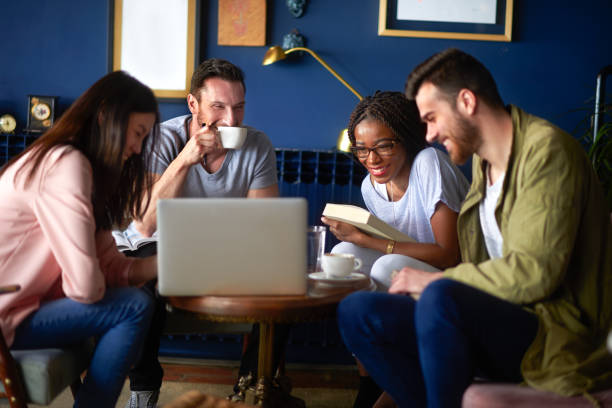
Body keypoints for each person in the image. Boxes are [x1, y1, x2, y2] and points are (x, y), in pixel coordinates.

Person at [337, 48, 612, 408]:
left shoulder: (548, 153)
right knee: (358, 313)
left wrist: (436, 280)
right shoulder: (484, 161)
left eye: (432, 118)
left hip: (552, 331)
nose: (429, 135)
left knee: (440, 295)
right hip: (500, 316)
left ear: (466, 101)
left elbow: (536, 273)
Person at [117, 58, 284, 407]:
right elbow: (146, 222)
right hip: (155, 248)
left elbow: (265, 226)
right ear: (193, 104)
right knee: (142, 289)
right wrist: (185, 158)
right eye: (219, 107)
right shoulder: (162, 139)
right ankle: (143, 390)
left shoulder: (257, 145)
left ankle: (247, 388)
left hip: (220, 253)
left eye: (239, 107)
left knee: (285, 285)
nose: (232, 120)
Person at [0, 71, 160, 408]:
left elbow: (108, 265)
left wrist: (167, 263)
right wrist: (103, 279)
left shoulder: (80, 167)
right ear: (105, 116)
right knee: (134, 306)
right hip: (5, 313)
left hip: (21, 306)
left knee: (134, 299)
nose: (137, 148)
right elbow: (86, 289)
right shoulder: (65, 164)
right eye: (137, 133)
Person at [321, 91, 469, 408]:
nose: (372, 160)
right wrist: (357, 240)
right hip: (412, 271)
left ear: (407, 139)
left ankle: (399, 378)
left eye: (383, 146)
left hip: (459, 279)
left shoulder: (429, 164)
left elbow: (448, 255)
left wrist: (368, 240)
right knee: (346, 255)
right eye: (361, 150)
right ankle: (370, 380)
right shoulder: (370, 185)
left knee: (386, 268)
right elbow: (389, 244)